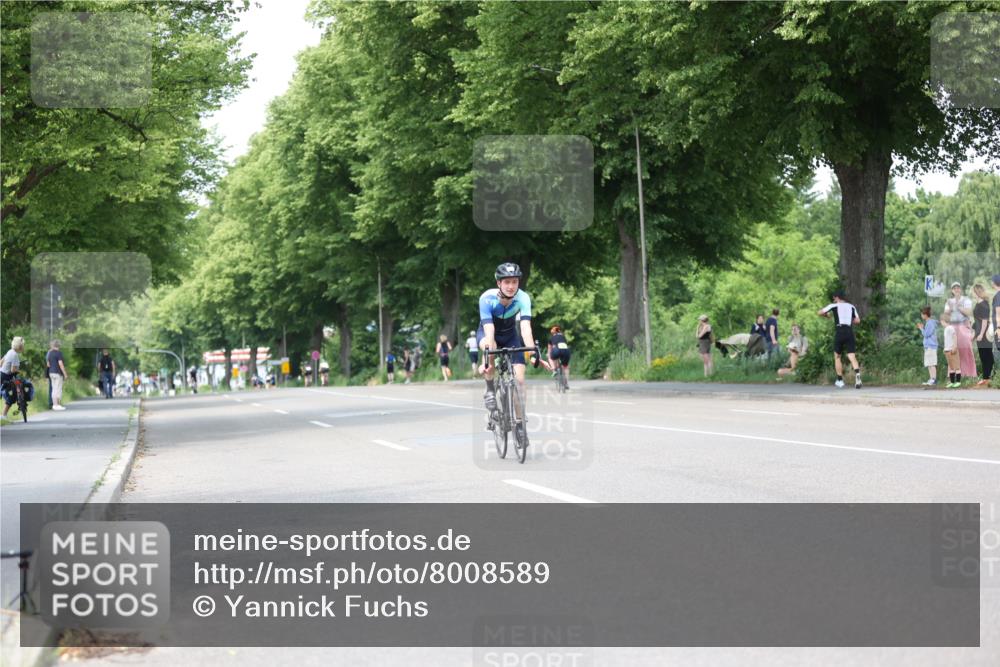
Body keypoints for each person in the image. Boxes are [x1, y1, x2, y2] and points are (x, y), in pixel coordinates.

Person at [477, 263, 552, 432]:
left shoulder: (523, 298)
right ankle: (490, 390)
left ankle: (519, 424)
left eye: (514, 282)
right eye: (507, 282)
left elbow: (525, 329)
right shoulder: (487, 298)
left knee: (519, 381)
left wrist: (533, 354)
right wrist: (486, 359)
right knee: (491, 345)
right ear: (499, 283)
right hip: (488, 334)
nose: (511, 286)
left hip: (510, 336)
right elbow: (489, 330)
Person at [818, 291, 862, 388]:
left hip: (840, 331)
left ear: (837, 297)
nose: (833, 300)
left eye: (834, 298)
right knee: (852, 356)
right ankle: (858, 376)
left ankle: (840, 380)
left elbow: (820, 312)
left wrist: (826, 316)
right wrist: (849, 319)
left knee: (837, 356)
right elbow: (857, 320)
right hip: (849, 332)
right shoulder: (851, 306)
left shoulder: (834, 305)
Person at [942, 281, 976, 384]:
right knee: (953, 351)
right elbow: (946, 315)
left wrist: (958, 307)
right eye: (954, 288)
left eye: (958, 288)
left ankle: (970, 375)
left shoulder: (966, 300)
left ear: (960, 289)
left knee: (966, 350)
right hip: (953, 327)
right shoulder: (948, 302)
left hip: (964, 327)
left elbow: (969, 312)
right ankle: (953, 377)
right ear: (952, 290)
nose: (956, 289)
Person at [972, 283, 994, 385]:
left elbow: (985, 321)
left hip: (984, 334)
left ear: (977, 292)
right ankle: (986, 377)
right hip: (979, 333)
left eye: (973, 292)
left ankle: (988, 377)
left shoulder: (984, 304)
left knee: (987, 355)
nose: (972, 293)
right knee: (983, 355)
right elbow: (977, 320)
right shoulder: (978, 304)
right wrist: (974, 333)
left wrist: (981, 334)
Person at [1, 336, 27, 419]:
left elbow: (1, 363)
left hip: (2, 374)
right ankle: (3, 415)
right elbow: (13, 370)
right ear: (20, 346)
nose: (23, 347)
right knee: (12, 396)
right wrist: (20, 371)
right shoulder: (15, 355)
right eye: (23, 345)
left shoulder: (10, 351)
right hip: (6, 377)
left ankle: (3, 415)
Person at [916, 307, 939, 386]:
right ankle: (931, 379)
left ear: (925, 315)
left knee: (932, 363)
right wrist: (923, 328)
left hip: (931, 346)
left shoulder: (930, 323)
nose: (921, 316)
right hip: (928, 346)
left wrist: (921, 328)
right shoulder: (928, 323)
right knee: (928, 363)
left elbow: (926, 334)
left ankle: (934, 379)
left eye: (922, 314)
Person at [46, 340, 68, 410]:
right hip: (57, 373)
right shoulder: (58, 353)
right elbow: (60, 364)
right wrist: (65, 373)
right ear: (58, 345)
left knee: (54, 389)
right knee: (58, 389)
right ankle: (57, 405)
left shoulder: (49, 353)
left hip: (51, 373)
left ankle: (54, 404)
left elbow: (48, 364)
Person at [942, 313, 961, 388]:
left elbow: (954, 337)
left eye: (941, 321)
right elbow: (946, 340)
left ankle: (958, 381)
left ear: (944, 321)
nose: (941, 323)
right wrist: (945, 348)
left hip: (952, 350)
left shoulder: (950, 328)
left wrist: (955, 346)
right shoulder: (946, 329)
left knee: (956, 366)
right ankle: (952, 382)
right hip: (947, 350)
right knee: (951, 366)